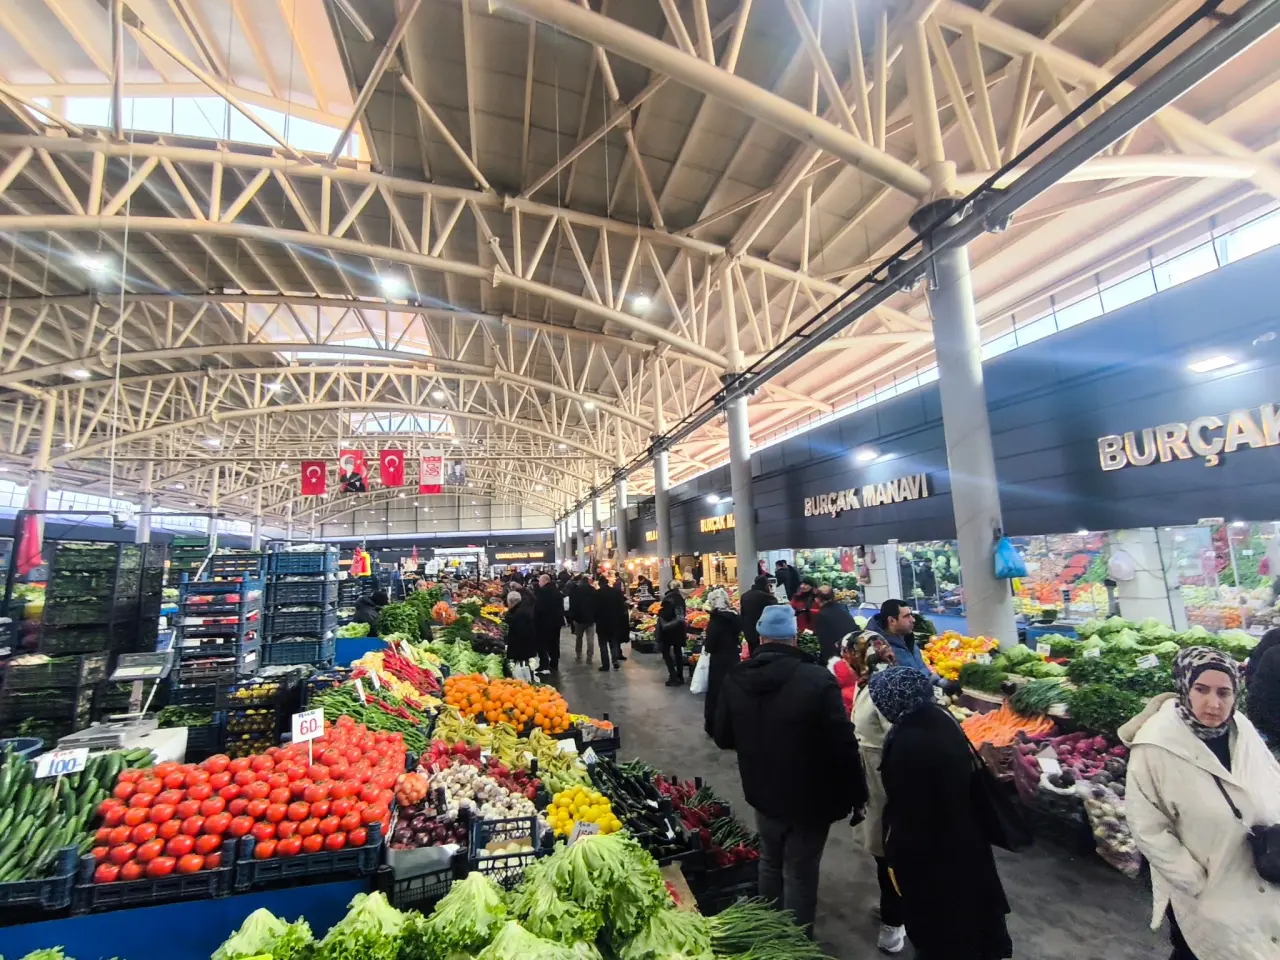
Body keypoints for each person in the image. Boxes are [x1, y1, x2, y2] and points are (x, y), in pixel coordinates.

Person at [712, 604, 865, 936]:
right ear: (794, 638)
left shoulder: (736, 677)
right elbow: (843, 744)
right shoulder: (817, 679)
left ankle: (770, 932)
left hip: (761, 789)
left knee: (769, 861)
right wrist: (857, 794)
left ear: (760, 637)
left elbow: (722, 735)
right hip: (812, 797)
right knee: (800, 871)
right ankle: (796, 943)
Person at [1121, 647, 1280, 960]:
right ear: (1184, 688)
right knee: (1201, 950)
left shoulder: (1242, 728)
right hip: (1204, 886)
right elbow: (1147, 827)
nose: (1213, 703)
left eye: (1224, 692)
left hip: (1257, 870)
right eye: (1201, 689)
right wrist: (1193, 881)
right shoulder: (1154, 746)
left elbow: (1271, 776)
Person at [870, 667, 1013, 960]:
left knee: (941, 928)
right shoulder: (939, 719)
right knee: (973, 919)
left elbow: (911, 809)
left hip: (932, 852)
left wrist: (895, 851)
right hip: (965, 838)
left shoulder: (909, 741)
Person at [861, 598, 953, 689]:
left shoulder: (907, 638)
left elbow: (922, 671)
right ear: (892, 621)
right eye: (907, 616)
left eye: (911, 615)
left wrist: (938, 682)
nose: (913, 620)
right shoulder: (879, 650)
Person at [701, 587, 742, 737]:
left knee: (716, 693)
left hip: (718, 660)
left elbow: (710, 645)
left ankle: (715, 727)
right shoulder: (735, 618)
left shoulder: (715, 621)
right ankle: (733, 727)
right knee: (733, 691)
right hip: (733, 657)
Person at [811, 585, 857, 663]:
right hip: (853, 649)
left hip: (839, 656)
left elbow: (825, 643)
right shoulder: (842, 608)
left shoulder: (822, 615)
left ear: (817, 599)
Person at [657, 579, 688, 687]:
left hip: (669, 630)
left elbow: (667, 614)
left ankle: (673, 675)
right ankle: (680, 676)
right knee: (678, 652)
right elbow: (680, 617)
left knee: (665, 652)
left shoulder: (669, 598)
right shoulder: (681, 598)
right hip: (679, 630)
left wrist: (663, 622)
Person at [595, 575, 628, 671]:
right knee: (613, 642)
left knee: (603, 644)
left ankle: (605, 665)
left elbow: (594, 609)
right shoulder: (616, 592)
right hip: (614, 621)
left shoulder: (597, 594)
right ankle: (615, 661)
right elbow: (621, 607)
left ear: (600, 584)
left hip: (601, 623)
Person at [533, 573, 563, 675]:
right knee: (554, 643)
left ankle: (544, 664)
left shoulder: (542, 592)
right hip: (556, 622)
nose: (539, 583)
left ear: (544, 581)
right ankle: (554, 663)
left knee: (541, 644)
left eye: (540, 581)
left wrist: (534, 619)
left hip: (544, 622)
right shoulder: (557, 591)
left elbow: (539, 608)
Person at [739, 574, 777, 653]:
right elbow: (775, 611)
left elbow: (742, 614)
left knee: (753, 652)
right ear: (766, 585)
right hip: (763, 632)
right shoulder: (767, 597)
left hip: (749, 631)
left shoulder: (744, 596)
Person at [502, 590, 539, 670]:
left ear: (511, 602)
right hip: (528, 647)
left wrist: (513, 654)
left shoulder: (519, 614)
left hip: (523, 650)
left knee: (522, 668)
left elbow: (518, 634)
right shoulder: (523, 608)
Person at [568, 574, 598, 664]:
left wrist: (572, 618)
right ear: (588, 581)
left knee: (579, 638)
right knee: (590, 639)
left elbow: (573, 605)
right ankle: (589, 657)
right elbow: (596, 605)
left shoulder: (576, 590)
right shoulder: (593, 590)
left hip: (579, 619)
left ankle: (579, 654)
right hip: (590, 619)